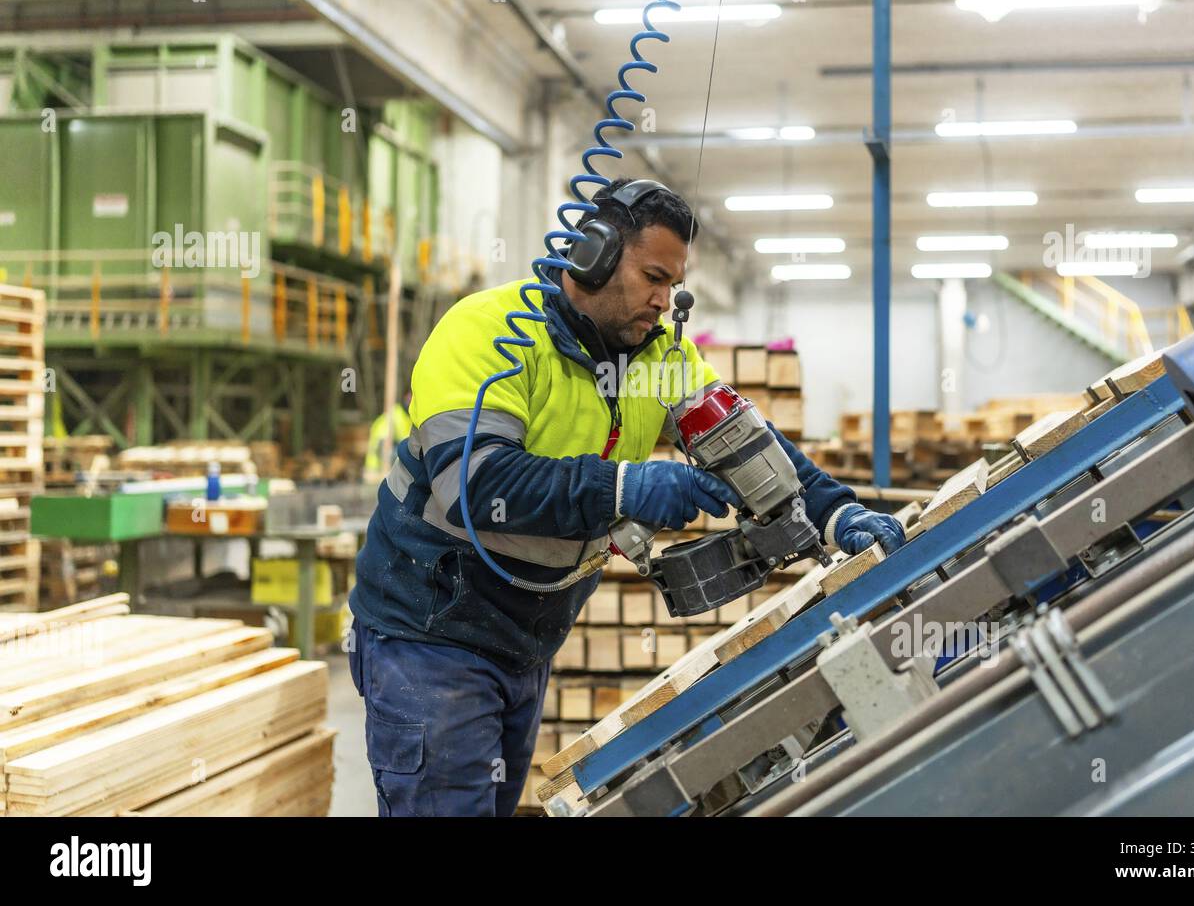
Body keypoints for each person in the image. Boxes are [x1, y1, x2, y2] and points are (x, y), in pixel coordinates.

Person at [347, 177, 904, 816]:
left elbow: (746, 444)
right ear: (595, 254)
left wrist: (836, 512)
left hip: (527, 636)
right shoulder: (485, 333)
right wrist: (625, 486)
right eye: (653, 277)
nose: (666, 301)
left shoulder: (655, 355)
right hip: (431, 629)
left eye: (673, 284)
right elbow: (477, 487)